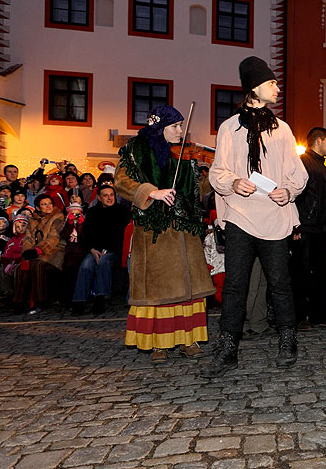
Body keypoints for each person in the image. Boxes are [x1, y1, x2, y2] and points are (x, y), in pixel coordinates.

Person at [204, 56, 308, 377]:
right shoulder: (229, 128)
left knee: (280, 283)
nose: (278, 88)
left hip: (274, 218)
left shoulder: (283, 130)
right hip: (238, 215)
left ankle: (287, 340)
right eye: (272, 83)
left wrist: (287, 192)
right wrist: (233, 181)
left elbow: (298, 174)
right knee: (235, 285)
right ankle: (228, 347)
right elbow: (216, 172)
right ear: (255, 87)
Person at [115, 105, 215, 363]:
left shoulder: (185, 155)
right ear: (159, 128)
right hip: (154, 232)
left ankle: (188, 340)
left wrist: (216, 174)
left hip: (185, 231)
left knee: (189, 289)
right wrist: (151, 191)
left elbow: (197, 188)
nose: (181, 131)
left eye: (181, 125)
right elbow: (122, 182)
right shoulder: (135, 151)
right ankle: (159, 344)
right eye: (175, 126)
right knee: (158, 290)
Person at [292, 127, 326, 328]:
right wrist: (295, 226)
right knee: (301, 274)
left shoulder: (323, 167)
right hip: (306, 228)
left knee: (320, 273)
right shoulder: (303, 163)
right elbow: (295, 196)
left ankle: (319, 315)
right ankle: (300, 316)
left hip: (322, 229)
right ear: (318, 141)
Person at [71, 185, 131, 315]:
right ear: (99, 197)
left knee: (104, 262)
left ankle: (101, 299)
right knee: (86, 266)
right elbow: (87, 234)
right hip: (94, 249)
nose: (109, 198)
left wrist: (106, 251)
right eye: (106, 195)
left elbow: (121, 236)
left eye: (111, 195)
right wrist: (92, 249)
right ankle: (79, 302)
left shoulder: (123, 212)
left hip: (114, 250)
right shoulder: (92, 212)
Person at [12, 195, 65, 314]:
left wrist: (38, 250)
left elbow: (54, 238)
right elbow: (28, 238)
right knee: (22, 267)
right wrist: (27, 251)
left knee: (38, 265)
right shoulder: (33, 220)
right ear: (37, 207)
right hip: (36, 251)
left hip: (55, 251)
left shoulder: (58, 217)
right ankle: (19, 301)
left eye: (49, 203)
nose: (48, 206)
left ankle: (40, 301)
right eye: (44, 204)